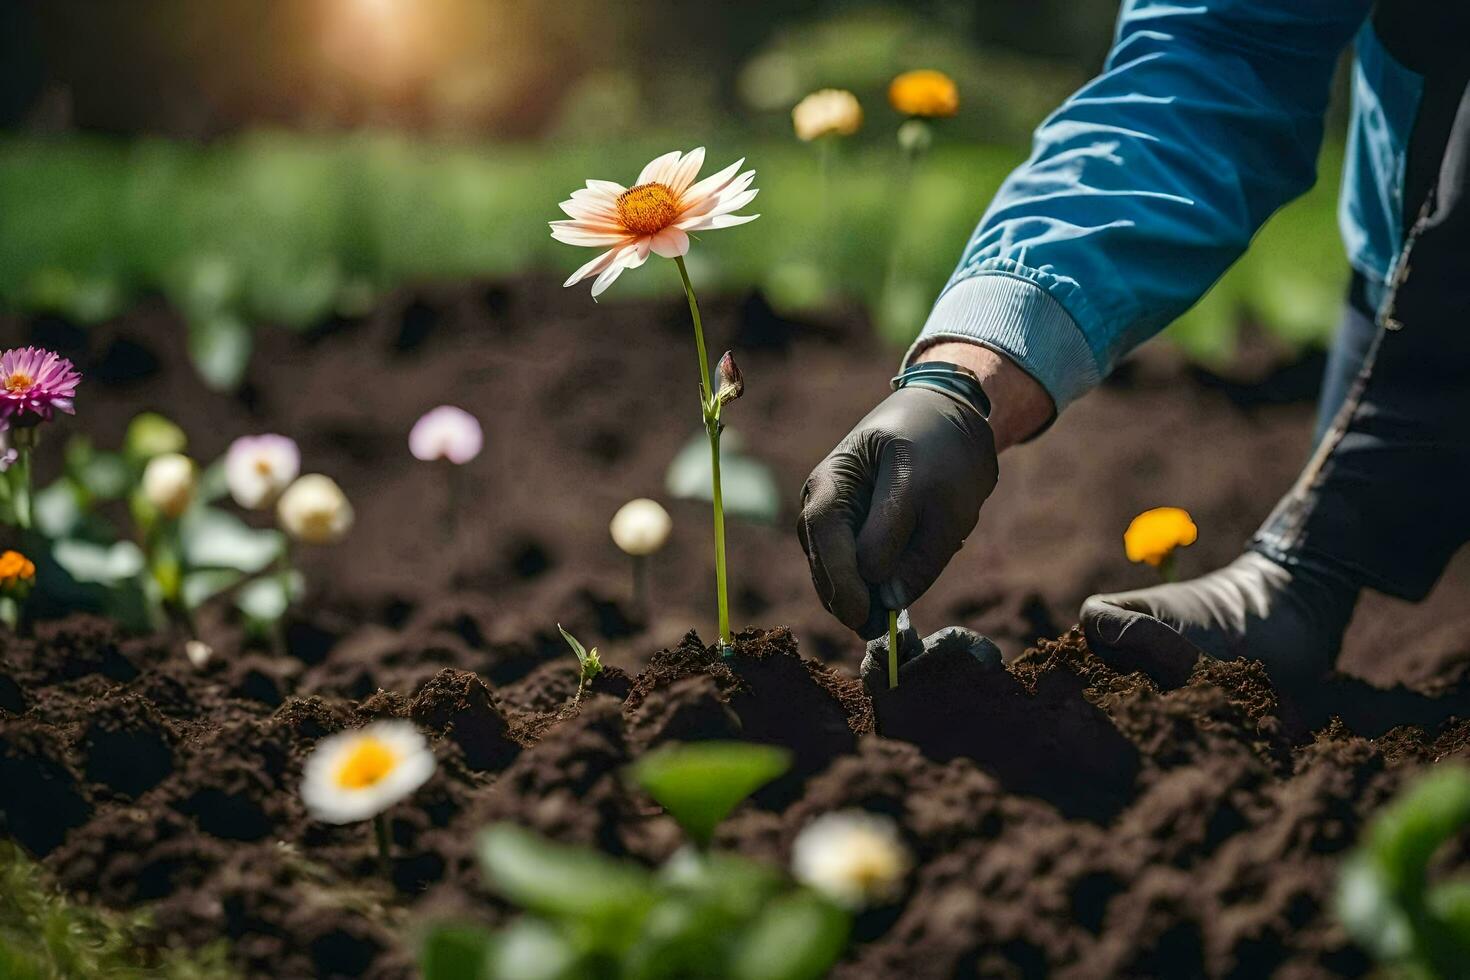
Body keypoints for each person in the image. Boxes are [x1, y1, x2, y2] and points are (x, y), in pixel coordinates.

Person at [798, 1, 1470, 691]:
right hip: (1413, 299)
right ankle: (1317, 566)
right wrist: (960, 382)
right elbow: (1215, 49)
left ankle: (1318, 557)